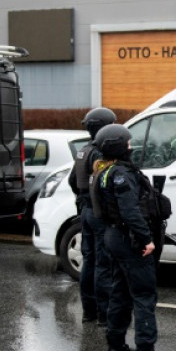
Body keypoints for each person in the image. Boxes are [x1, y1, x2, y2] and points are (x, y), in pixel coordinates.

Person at [91, 123, 166, 351]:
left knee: (120, 293)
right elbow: (130, 211)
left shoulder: (105, 171)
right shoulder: (121, 174)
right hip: (128, 239)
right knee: (144, 295)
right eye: (128, 143)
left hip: (115, 237)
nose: (131, 147)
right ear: (118, 146)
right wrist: (147, 239)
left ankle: (116, 346)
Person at [69, 107, 116, 326]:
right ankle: (103, 314)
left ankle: (89, 311)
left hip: (85, 211)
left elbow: (72, 181)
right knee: (102, 263)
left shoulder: (83, 150)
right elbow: (106, 184)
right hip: (98, 213)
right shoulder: (99, 153)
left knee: (89, 261)